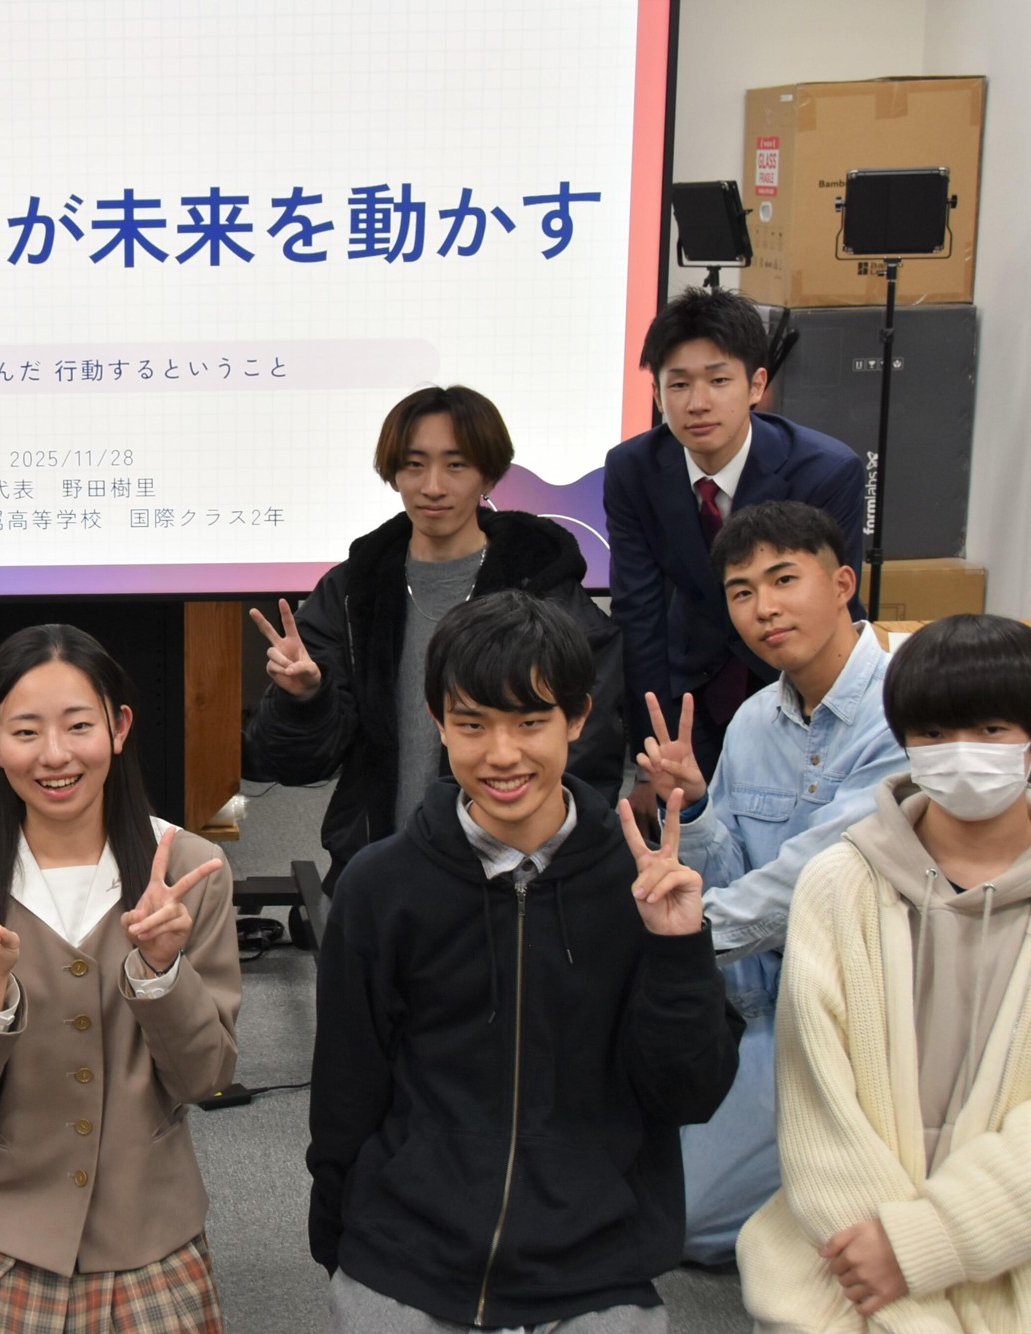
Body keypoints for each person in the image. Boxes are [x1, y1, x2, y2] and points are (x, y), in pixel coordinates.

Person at [309, 591, 742, 1332]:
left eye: (531, 722)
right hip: (406, 1256)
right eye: (473, 724)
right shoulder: (381, 885)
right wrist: (343, 1248)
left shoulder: (639, 882)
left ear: (577, 718)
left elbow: (689, 1094)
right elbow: (346, 1091)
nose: (502, 754)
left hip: (595, 1266)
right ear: (438, 722)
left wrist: (677, 948)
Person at [0, 624, 241, 1333]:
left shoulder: (191, 873)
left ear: (119, 728)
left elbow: (204, 1078)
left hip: (148, 1233)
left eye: (79, 725)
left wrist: (162, 973)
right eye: (26, 731)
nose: (55, 755)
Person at [630, 500, 906, 1264]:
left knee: (682, 1220)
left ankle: (871, 1186)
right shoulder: (754, 719)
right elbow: (737, 874)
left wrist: (670, 940)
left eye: (785, 580)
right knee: (640, 1185)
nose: (764, 608)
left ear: (843, 583)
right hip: (761, 1005)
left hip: (866, 1016)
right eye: (742, 592)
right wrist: (698, 810)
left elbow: (814, 879)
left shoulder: (906, 706)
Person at [739, 614, 1031, 1331]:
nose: (962, 752)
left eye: (992, 729)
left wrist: (925, 1243)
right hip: (846, 1263)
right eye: (933, 732)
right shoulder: (838, 884)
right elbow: (817, 1109)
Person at [244, 383, 624, 892]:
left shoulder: (545, 591)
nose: (433, 486)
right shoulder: (355, 590)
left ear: (488, 474)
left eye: (456, 465)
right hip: (381, 866)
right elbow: (295, 764)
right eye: (414, 465)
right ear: (393, 473)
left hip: (510, 874)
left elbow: (588, 753)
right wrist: (305, 699)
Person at [604, 285, 865, 777]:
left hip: (796, 683)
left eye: (719, 380)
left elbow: (834, 610)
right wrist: (651, 756)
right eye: (679, 385)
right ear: (657, 394)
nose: (698, 403)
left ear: (756, 385)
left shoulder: (826, 471)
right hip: (690, 688)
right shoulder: (632, 469)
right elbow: (638, 612)